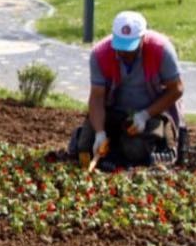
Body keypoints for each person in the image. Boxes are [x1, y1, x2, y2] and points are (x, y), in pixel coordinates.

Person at [75, 10, 184, 168]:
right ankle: (111, 146)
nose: (125, 52)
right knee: (85, 146)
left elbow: (177, 89)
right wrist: (99, 132)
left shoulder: (161, 50)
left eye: (130, 48)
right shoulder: (100, 54)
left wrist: (145, 115)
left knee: (135, 151)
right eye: (121, 46)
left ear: (142, 38)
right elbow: (97, 97)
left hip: (151, 113)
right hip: (113, 111)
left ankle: (162, 143)